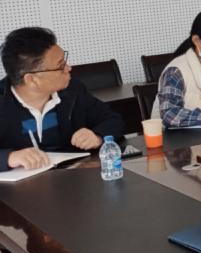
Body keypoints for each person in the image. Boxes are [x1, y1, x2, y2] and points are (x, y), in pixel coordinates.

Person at [0, 27, 123, 172]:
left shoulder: (72, 90)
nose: (68, 68)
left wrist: (98, 135)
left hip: (70, 179)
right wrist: (8, 157)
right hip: (20, 185)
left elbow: (113, 119)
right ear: (32, 79)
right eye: (60, 66)